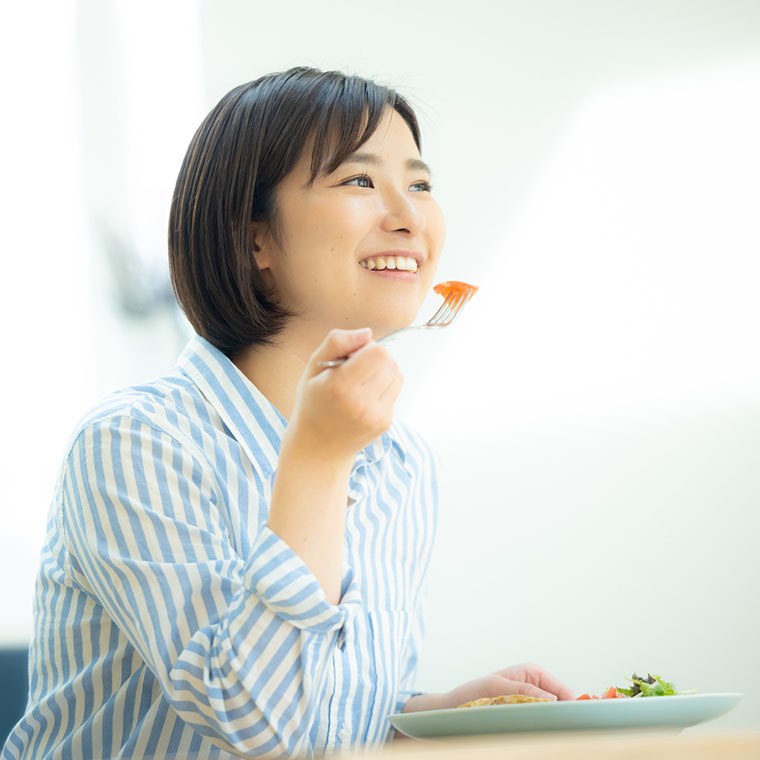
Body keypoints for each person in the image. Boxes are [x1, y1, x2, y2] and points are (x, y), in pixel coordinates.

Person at [2, 67, 573, 760]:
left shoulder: (402, 462)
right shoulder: (135, 443)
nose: (410, 216)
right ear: (254, 241)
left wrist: (434, 713)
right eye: (360, 181)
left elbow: (323, 716)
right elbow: (256, 726)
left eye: (420, 184)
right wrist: (319, 461)